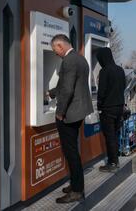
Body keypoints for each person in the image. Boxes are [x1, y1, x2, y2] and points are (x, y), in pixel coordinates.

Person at [48, 34, 93, 203]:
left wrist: (60, 112)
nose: (55, 53)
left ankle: (77, 191)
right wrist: (51, 93)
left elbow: (67, 90)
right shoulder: (80, 59)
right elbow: (68, 84)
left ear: (60, 46)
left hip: (70, 113)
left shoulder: (68, 61)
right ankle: (75, 184)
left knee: (71, 152)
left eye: (54, 50)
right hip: (79, 111)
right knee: (73, 149)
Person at [96, 47, 126, 172]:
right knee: (115, 133)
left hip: (108, 109)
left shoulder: (104, 71)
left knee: (109, 136)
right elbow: (124, 87)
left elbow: (101, 91)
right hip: (119, 107)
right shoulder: (120, 70)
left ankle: (112, 162)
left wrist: (99, 105)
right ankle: (116, 159)